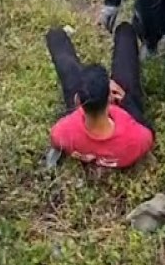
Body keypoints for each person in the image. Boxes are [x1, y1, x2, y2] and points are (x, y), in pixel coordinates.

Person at [47, 23, 154, 169]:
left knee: (69, 71)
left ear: (78, 100)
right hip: (122, 110)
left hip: (84, 116)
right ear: (110, 98)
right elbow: (148, 132)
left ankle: (55, 34)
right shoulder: (136, 138)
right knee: (125, 36)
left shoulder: (64, 131)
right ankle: (124, 29)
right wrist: (126, 101)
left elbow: (56, 138)